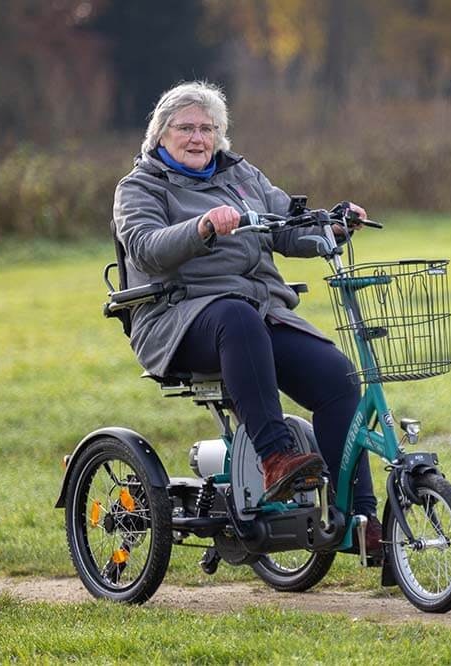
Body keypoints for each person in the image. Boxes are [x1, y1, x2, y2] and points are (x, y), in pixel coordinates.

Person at [113, 81, 379, 547]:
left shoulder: (242, 176)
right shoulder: (139, 188)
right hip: (176, 318)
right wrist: (201, 227)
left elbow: (288, 227)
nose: (198, 137)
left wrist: (333, 225)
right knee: (235, 317)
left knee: (336, 376)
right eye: (186, 128)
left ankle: (358, 519)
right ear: (160, 134)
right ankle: (276, 458)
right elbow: (146, 249)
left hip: (256, 315)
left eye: (208, 128)